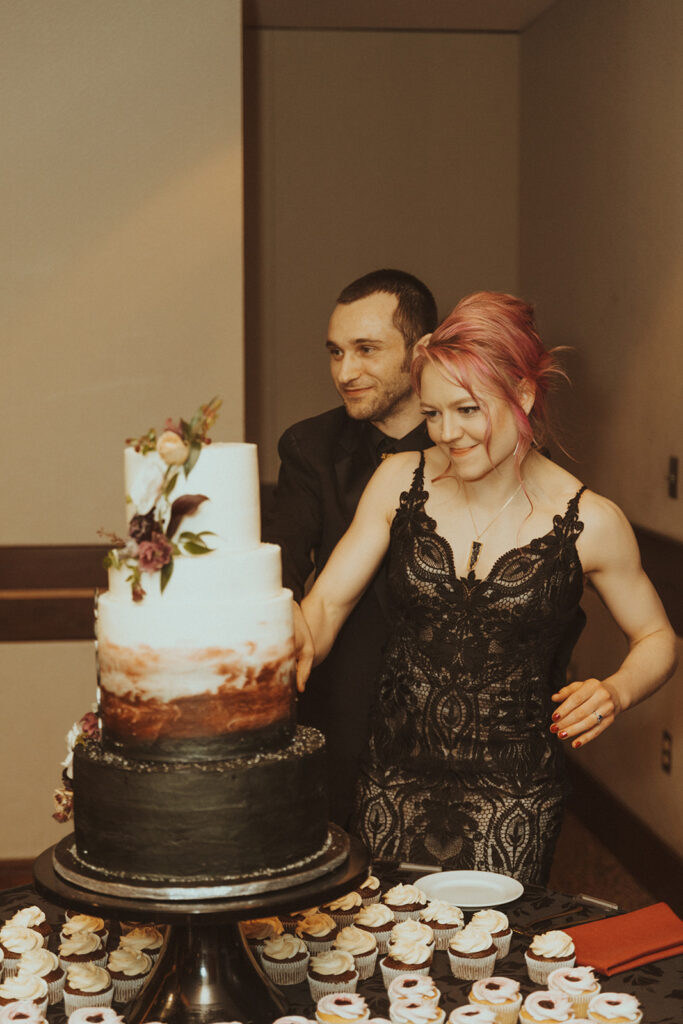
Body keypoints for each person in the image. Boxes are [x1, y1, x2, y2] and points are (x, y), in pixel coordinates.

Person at [296, 291, 677, 884]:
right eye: (432, 413)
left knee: (490, 966)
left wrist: (618, 690)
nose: (448, 433)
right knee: (383, 958)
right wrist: (275, 655)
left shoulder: (591, 520)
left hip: (513, 794)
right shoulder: (400, 479)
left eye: (468, 410)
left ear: (523, 394)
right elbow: (326, 605)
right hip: (392, 777)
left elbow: (656, 635)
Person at [264, 269, 439, 827]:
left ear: (421, 351)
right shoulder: (310, 447)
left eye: (366, 350)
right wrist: (283, 609)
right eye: (335, 352)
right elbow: (280, 563)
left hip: (450, 722)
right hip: (342, 708)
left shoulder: (470, 444)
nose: (345, 371)